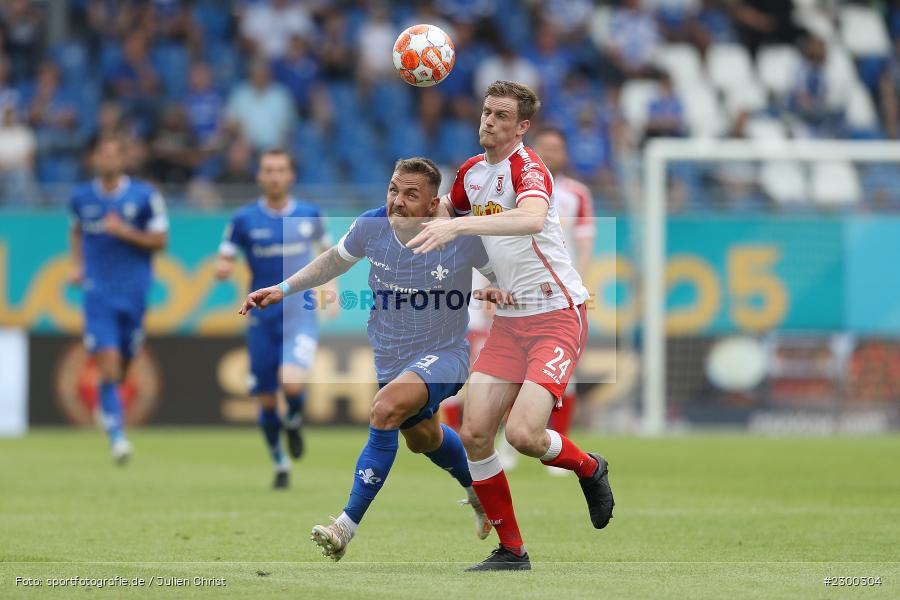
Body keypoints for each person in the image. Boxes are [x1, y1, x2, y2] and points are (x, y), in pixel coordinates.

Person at [238, 157, 493, 560]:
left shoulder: (459, 234)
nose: (397, 201)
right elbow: (333, 261)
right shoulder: (371, 225)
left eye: (411, 195)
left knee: (385, 410)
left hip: (445, 353)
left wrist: (503, 293)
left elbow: (502, 273)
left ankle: (345, 525)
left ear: (433, 204)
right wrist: (283, 288)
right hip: (391, 357)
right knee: (423, 438)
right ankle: (479, 494)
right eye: (394, 189)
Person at [407, 81, 614, 571]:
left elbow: (531, 217)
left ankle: (590, 467)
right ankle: (512, 550)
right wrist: (422, 212)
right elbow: (447, 212)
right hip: (510, 320)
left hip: (556, 316)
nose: (489, 121)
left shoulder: (528, 168)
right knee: (476, 432)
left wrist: (458, 226)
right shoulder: (472, 173)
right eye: (486, 111)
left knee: (523, 435)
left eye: (501, 115)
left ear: (522, 126)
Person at [216, 149, 333, 489]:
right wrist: (222, 268)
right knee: (266, 398)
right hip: (261, 317)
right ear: (260, 176)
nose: (274, 176)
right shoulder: (243, 219)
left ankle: (294, 419)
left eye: (280, 170)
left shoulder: (310, 215)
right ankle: (280, 463)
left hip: (300, 311)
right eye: (268, 170)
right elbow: (225, 256)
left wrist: (333, 291)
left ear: (290, 175)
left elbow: (331, 257)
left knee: (292, 383)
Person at [68, 135, 169, 463]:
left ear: (123, 159)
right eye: (102, 154)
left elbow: (160, 240)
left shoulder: (144, 196)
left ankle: (108, 406)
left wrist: (126, 233)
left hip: (135, 292)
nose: (108, 159)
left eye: (114, 154)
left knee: (124, 361)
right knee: (107, 364)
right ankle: (118, 438)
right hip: (98, 293)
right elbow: (76, 230)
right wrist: (78, 266)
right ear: (94, 158)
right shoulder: (81, 198)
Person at [531, 126, 596, 475]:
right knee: (511, 371)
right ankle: (513, 442)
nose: (550, 153)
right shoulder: (519, 189)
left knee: (562, 375)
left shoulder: (577, 194)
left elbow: (585, 245)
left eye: (556, 148)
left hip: (561, 296)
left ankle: (558, 442)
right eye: (545, 147)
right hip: (524, 292)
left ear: (565, 154)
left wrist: (576, 285)